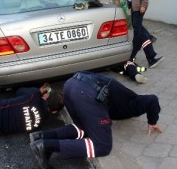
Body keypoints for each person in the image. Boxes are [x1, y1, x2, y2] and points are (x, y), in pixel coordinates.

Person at [28, 71, 162, 168]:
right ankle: (45, 147)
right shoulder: (134, 103)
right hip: (87, 94)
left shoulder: (122, 94)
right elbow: (152, 99)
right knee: (102, 146)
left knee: (82, 128)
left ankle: (41, 136)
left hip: (71, 84)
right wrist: (152, 122)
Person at [124, 0, 162, 68]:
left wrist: (143, 5)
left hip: (139, 8)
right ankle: (145, 56)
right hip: (133, 7)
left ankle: (145, 57)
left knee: (138, 33)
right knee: (138, 33)